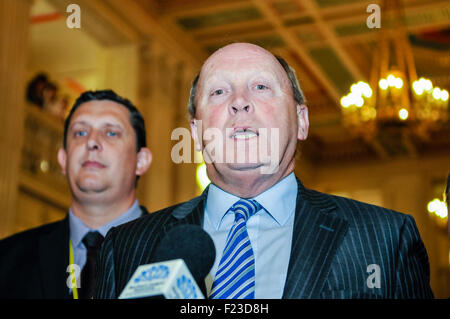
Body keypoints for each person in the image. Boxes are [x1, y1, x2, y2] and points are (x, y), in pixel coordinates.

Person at [95, 43, 433, 299]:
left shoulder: (386, 239)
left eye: (261, 87)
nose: (239, 102)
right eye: (219, 91)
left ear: (302, 121)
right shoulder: (125, 247)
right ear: (196, 134)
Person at [0, 90, 152, 299]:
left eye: (111, 133)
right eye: (80, 132)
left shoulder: (181, 256)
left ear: (141, 161)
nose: (91, 141)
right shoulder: (8, 259)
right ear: (63, 159)